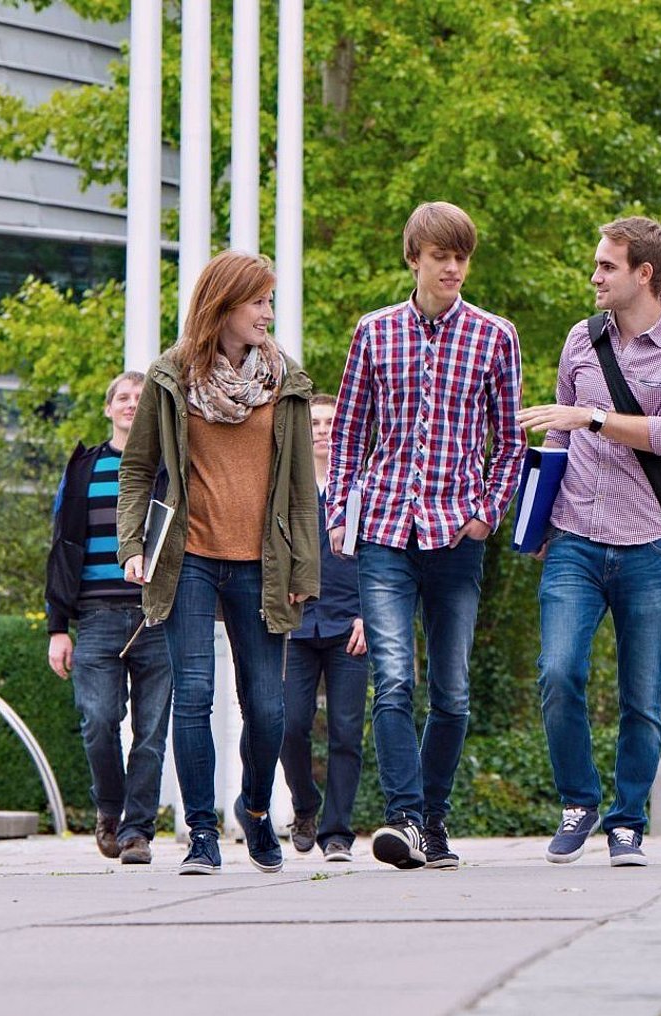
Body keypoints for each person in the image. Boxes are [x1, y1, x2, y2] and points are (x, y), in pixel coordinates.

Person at [328, 202, 525, 871]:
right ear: (414, 258)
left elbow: (511, 445)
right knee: (392, 681)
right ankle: (404, 819)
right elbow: (349, 434)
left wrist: (487, 513)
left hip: (457, 534)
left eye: (461, 256)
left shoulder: (495, 336)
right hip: (386, 529)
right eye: (441, 255)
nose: (453, 268)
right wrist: (339, 521)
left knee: (453, 691)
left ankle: (434, 820)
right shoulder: (374, 333)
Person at [518, 217, 661, 867]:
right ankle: (580, 801)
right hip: (574, 537)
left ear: (644, 275)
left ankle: (627, 820)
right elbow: (557, 434)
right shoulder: (583, 338)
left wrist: (595, 418)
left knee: (641, 696)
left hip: (649, 545)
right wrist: (538, 520)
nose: (595, 275)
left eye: (607, 266)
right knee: (558, 672)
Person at [116, 250, 318, 876]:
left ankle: (254, 810)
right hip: (188, 559)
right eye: (257, 301)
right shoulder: (171, 377)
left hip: (263, 564)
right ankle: (202, 832)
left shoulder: (286, 382)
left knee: (268, 708)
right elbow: (138, 468)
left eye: (269, 302)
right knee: (194, 694)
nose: (267, 313)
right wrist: (132, 546)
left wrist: (304, 573)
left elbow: (300, 491)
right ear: (224, 305)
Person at [44, 371, 173, 864]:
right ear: (108, 408)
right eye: (123, 397)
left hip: (156, 617)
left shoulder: (167, 469)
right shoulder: (82, 469)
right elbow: (61, 548)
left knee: (152, 732)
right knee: (98, 721)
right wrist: (58, 628)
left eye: (140, 398)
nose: (131, 404)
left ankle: (137, 831)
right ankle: (110, 810)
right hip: (95, 617)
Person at [280, 394, 369, 864]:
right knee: (288, 726)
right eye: (312, 422)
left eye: (330, 421)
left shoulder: (363, 487)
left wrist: (370, 616)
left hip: (349, 625)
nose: (320, 429)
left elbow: (383, 561)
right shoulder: (286, 488)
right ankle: (305, 805)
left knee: (346, 732)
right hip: (295, 627)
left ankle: (337, 833)